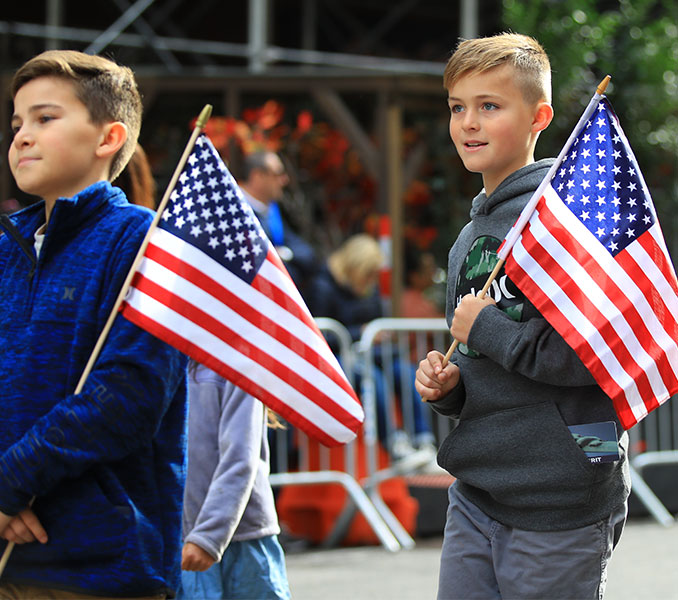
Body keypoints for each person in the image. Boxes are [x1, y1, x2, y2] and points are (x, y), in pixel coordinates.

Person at [0, 50, 189, 599]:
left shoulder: (143, 242)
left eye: (45, 118)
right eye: (16, 122)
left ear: (107, 139)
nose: (22, 136)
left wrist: (6, 486)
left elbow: (127, 397)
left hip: (98, 566)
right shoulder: (2, 255)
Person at [414, 33, 629, 599]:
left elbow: (591, 354)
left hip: (562, 496)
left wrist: (484, 327)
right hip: (478, 489)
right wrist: (449, 389)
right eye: (458, 107)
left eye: (490, 105)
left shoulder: (571, 224)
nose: (469, 123)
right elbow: (482, 363)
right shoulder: (468, 237)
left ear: (539, 116)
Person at [309, 234, 436, 460]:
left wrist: (377, 333)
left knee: (406, 372)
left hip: (371, 352)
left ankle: (424, 440)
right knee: (374, 379)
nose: (372, 280)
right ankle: (394, 443)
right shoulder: (322, 286)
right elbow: (322, 336)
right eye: (369, 274)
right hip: (340, 357)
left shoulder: (369, 288)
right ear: (357, 267)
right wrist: (361, 332)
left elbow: (377, 320)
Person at [181, 360, 291, 599]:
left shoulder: (238, 365)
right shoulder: (167, 362)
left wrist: (208, 536)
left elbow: (240, 458)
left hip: (243, 539)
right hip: (184, 541)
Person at [237, 151, 318, 300]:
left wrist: (287, 254)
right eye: (277, 174)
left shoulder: (272, 211)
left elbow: (307, 254)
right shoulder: (236, 212)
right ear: (257, 176)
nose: (284, 180)